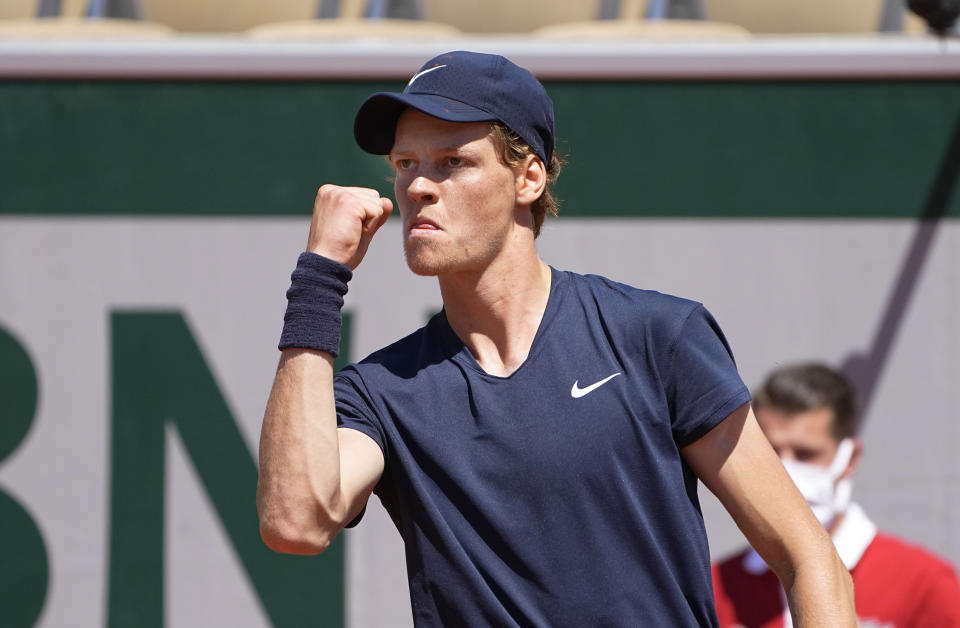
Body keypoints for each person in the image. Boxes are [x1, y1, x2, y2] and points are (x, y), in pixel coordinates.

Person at [256, 50, 855, 626]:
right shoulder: (381, 394)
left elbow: (809, 557)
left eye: (451, 162)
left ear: (529, 178)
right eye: (405, 163)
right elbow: (296, 523)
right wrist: (318, 280)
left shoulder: (656, 336)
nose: (417, 187)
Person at [712, 362, 960, 627]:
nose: (783, 471)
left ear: (850, 459)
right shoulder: (714, 587)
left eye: (806, 454)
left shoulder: (925, 583)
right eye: (771, 452)